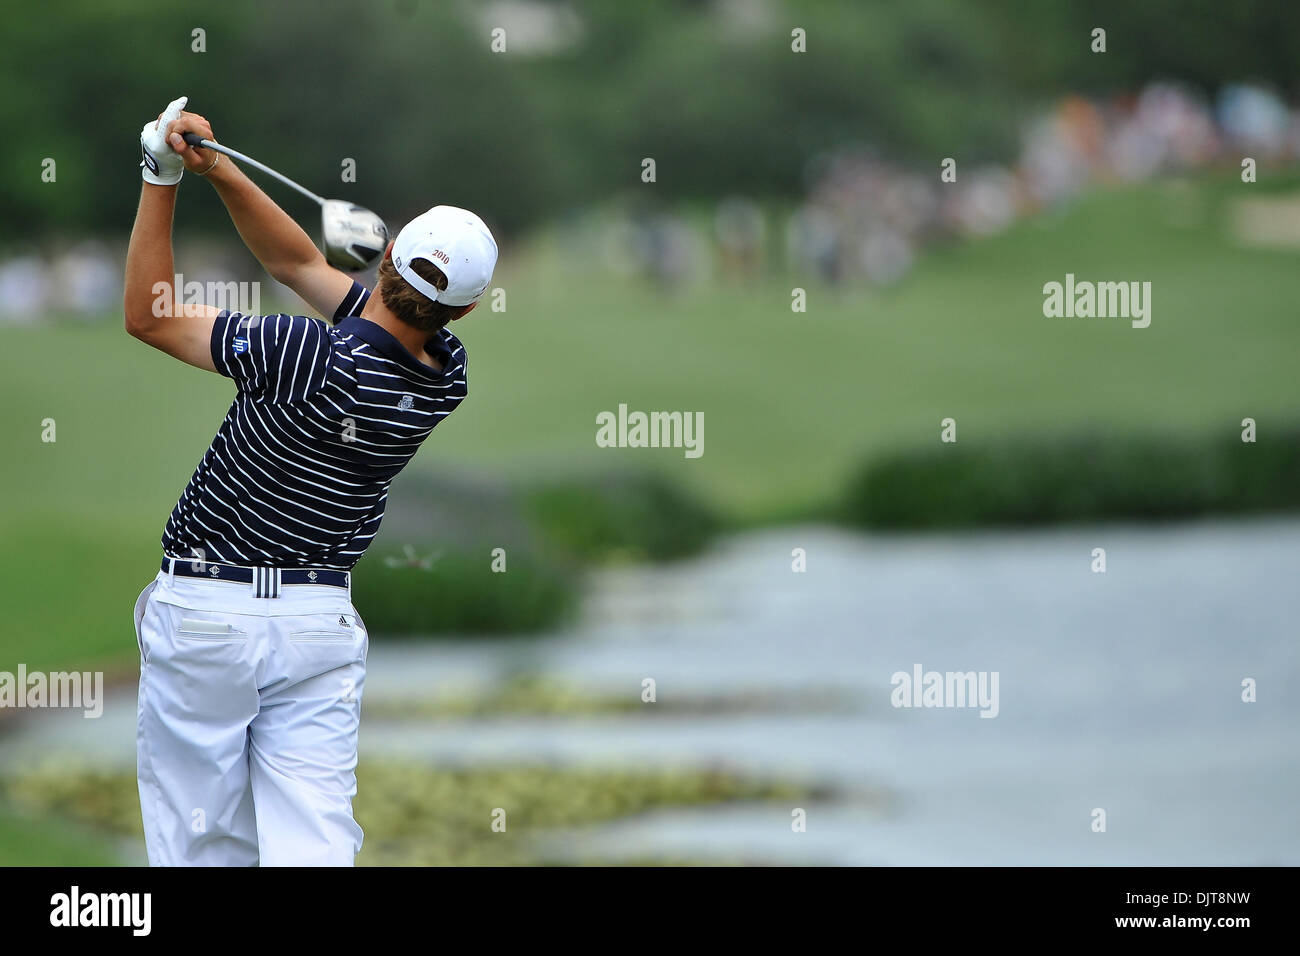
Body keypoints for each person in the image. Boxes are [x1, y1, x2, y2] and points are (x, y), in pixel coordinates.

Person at [124, 96, 497, 866]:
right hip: (317, 629)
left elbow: (151, 318)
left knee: (201, 847)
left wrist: (160, 177)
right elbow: (298, 265)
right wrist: (219, 169)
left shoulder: (306, 354)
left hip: (208, 618)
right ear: (467, 306)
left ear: (386, 257)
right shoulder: (442, 376)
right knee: (315, 849)